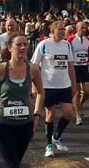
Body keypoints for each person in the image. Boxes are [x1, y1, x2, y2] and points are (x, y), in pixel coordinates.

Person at [0, 33, 44, 168]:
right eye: (18, 44)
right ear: (9, 47)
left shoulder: (33, 69)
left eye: (25, 44)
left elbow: (41, 93)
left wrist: (37, 115)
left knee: (15, 162)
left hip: (25, 125)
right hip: (4, 125)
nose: (23, 47)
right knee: (13, 165)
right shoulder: (1, 69)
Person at [31, 20, 76, 158]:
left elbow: (70, 66)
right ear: (53, 31)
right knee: (50, 114)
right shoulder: (44, 45)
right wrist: (34, 86)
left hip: (64, 85)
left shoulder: (67, 45)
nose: (63, 32)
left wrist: (73, 84)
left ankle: (57, 137)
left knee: (69, 113)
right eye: (60, 29)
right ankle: (49, 144)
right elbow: (34, 66)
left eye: (64, 29)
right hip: (48, 86)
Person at [68, 21, 89, 125]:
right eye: (82, 28)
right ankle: (78, 115)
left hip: (84, 67)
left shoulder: (88, 40)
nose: (84, 30)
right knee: (76, 92)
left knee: (87, 91)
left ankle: (80, 105)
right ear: (77, 28)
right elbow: (67, 52)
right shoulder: (71, 39)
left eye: (85, 28)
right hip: (74, 67)